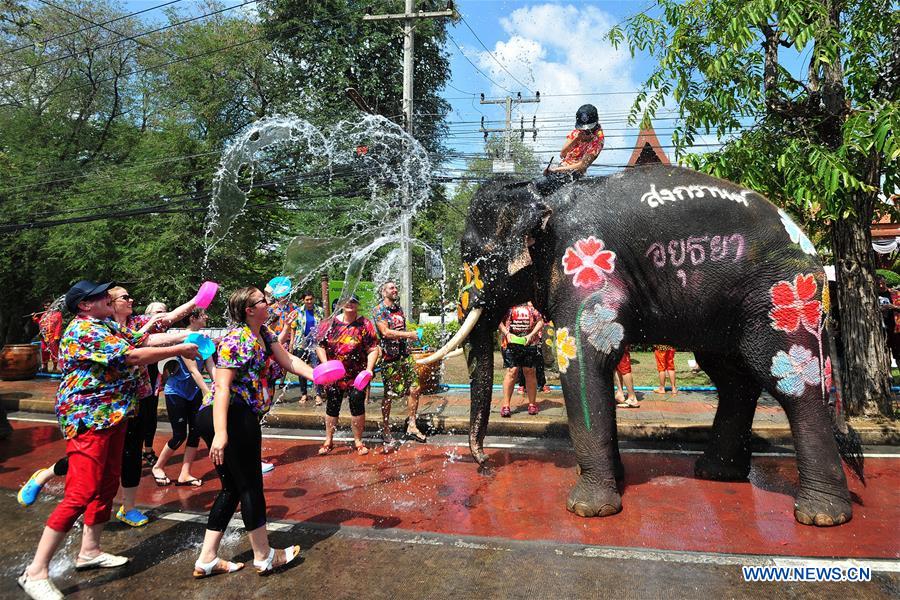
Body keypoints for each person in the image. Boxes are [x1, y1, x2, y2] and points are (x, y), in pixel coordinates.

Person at [17, 280, 198, 600]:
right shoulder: (85, 330)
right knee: (80, 492)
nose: (108, 298)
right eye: (100, 296)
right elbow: (132, 356)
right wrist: (181, 349)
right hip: (88, 418)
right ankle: (35, 572)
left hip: (113, 416)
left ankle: (89, 551)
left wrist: (192, 334)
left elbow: (145, 337)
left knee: (105, 485)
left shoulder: (105, 325)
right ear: (85, 305)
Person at [194, 286, 314, 578]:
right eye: (263, 300)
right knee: (250, 486)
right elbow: (221, 386)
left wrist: (319, 375)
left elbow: (289, 361)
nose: (269, 303)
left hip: (234, 416)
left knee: (232, 488)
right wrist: (222, 434)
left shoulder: (264, 334)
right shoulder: (237, 340)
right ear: (249, 310)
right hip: (229, 416)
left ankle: (207, 559)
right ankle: (264, 556)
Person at [109, 286, 197, 526]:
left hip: (141, 396)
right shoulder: (105, 328)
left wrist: (198, 300)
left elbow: (169, 320)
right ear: (111, 302)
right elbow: (136, 350)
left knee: (131, 452)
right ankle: (48, 474)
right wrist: (181, 341)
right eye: (125, 297)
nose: (131, 299)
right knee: (101, 455)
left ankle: (128, 508)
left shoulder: (136, 321)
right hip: (110, 404)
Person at [151, 308, 215, 487]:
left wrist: (218, 386)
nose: (207, 317)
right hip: (177, 392)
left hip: (193, 392)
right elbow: (194, 370)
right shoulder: (185, 339)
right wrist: (207, 392)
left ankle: (185, 474)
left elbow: (210, 366)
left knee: (196, 432)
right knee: (179, 434)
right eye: (203, 315)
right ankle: (158, 466)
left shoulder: (203, 339)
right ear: (193, 318)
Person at [316, 295, 379, 456]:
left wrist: (369, 369)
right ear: (340, 304)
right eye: (347, 301)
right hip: (334, 375)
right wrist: (325, 364)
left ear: (358, 305)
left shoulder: (364, 324)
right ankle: (328, 440)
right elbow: (320, 345)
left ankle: (358, 441)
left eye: (354, 302)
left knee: (357, 405)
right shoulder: (330, 323)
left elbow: (373, 349)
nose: (350, 304)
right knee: (332, 405)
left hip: (357, 375)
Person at [372, 281, 427, 450]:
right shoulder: (379, 310)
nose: (395, 290)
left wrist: (412, 337)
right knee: (389, 395)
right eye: (391, 288)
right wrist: (410, 334)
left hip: (405, 356)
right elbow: (386, 332)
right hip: (390, 359)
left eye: (396, 287)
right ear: (383, 292)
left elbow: (399, 328)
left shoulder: (398, 309)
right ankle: (386, 429)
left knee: (415, 388)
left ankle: (412, 424)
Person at [536, 104, 604, 196]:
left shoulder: (598, 139)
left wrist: (556, 170)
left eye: (588, 130)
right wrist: (576, 139)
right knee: (540, 182)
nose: (585, 132)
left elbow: (582, 166)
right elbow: (563, 154)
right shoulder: (577, 132)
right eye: (583, 129)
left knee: (546, 185)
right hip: (562, 167)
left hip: (574, 173)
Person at [499, 302, 544, 417]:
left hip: (530, 342)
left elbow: (540, 321)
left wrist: (531, 335)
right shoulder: (508, 302)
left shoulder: (532, 304)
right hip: (510, 343)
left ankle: (532, 404)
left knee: (529, 371)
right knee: (512, 371)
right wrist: (506, 333)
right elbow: (498, 321)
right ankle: (505, 406)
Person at [141, 301, 169, 467]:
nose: (162, 315)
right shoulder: (140, 331)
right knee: (138, 417)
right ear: (148, 314)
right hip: (138, 381)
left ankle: (148, 450)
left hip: (154, 380)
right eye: (158, 312)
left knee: (151, 415)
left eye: (164, 312)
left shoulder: (164, 332)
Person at [288, 291, 325, 405]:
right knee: (302, 371)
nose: (309, 301)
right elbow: (293, 327)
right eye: (307, 299)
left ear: (314, 299)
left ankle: (318, 394)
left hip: (315, 345)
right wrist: (291, 342)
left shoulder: (320, 311)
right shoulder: (298, 312)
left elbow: (324, 326)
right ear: (303, 300)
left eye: (311, 299)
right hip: (301, 344)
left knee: (316, 368)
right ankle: (304, 394)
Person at [33, 300, 63, 373]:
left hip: (52, 336)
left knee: (54, 351)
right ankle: (45, 367)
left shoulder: (58, 314)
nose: (46, 307)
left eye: (48, 305)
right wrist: (36, 319)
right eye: (45, 306)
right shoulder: (44, 315)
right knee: (44, 351)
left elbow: (59, 325)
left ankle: (55, 367)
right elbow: (41, 325)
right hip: (44, 336)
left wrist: (56, 335)